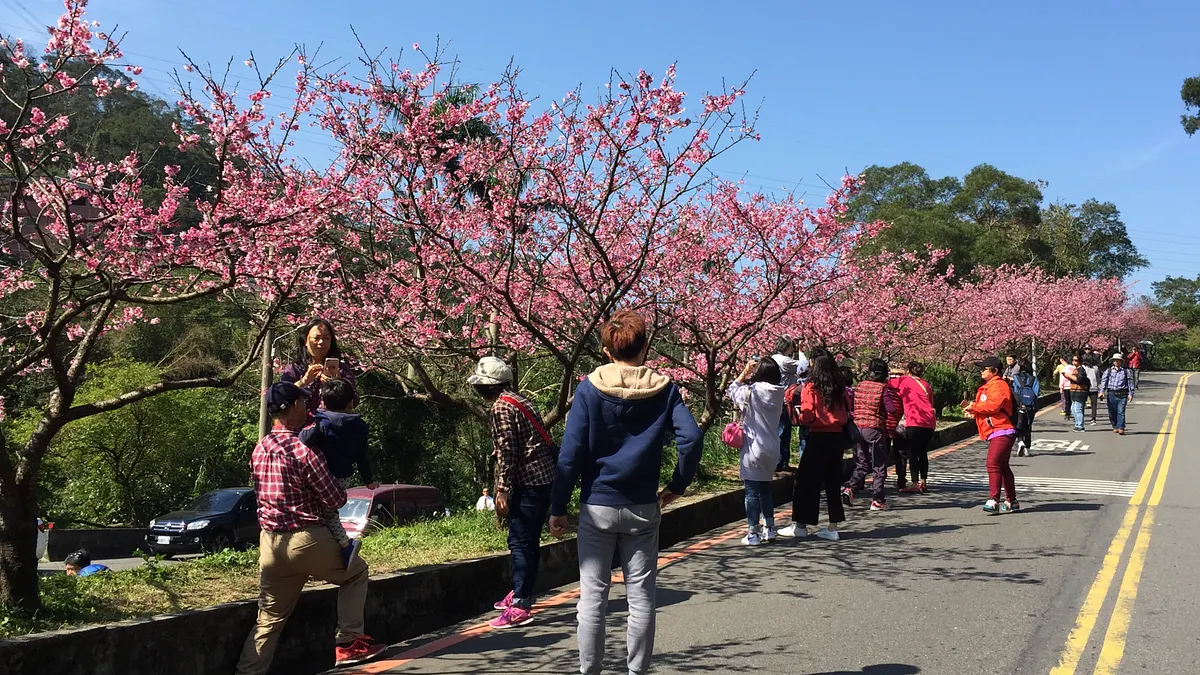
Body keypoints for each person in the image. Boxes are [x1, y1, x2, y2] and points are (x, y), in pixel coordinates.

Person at [549, 310, 702, 675]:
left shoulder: (589, 388)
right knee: (642, 598)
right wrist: (677, 486)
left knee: (592, 598)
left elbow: (570, 455)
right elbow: (692, 438)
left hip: (597, 506)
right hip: (643, 507)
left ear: (605, 350)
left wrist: (558, 506)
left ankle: (591, 671)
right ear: (645, 346)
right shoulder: (665, 390)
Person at [236, 382, 384, 674]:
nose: (307, 406)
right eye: (302, 402)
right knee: (356, 573)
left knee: (269, 619)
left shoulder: (261, 447)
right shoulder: (304, 450)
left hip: (270, 544)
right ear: (292, 408)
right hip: (306, 538)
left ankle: (247, 672)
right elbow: (336, 498)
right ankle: (349, 642)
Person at [469, 355, 558, 629]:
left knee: (520, 541)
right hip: (545, 477)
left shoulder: (501, 408)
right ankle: (522, 592)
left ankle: (520, 603)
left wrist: (502, 488)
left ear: (486, 386)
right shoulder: (521, 400)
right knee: (528, 540)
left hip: (527, 480)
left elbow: (508, 451)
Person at [298, 379, 375, 568]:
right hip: (344, 477)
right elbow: (362, 456)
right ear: (351, 403)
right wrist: (369, 479)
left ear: (323, 403)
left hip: (323, 476)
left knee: (326, 514)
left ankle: (346, 545)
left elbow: (303, 439)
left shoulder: (323, 424)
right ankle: (330, 548)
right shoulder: (359, 427)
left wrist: (313, 417)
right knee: (331, 512)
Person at [779, 354, 849, 541]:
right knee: (833, 482)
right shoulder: (839, 388)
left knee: (805, 482)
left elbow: (808, 416)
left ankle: (801, 525)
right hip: (838, 437)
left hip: (818, 436)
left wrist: (798, 415)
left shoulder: (811, 387)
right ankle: (832, 527)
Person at [727, 356, 786, 545]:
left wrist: (745, 372)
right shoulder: (779, 392)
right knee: (765, 490)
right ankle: (770, 529)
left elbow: (732, 389)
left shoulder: (751, 392)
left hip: (753, 447)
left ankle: (753, 532)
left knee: (751, 491)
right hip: (772, 447)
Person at [963, 357, 1019, 514]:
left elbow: (993, 406)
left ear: (995, 371)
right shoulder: (989, 386)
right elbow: (986, 409)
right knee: (1002, 466)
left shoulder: (999, 385)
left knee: (992, 463)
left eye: (985, 368)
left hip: (1002, 429)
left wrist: (974, 406)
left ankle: (994, 500)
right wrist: (973, 411)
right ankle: (1012, 501)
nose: (981, 371)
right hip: (997, 430)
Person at [843, 359, 899, 511]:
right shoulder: (883, 388)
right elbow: (891, 409)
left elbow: (853, 404)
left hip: (857, 428)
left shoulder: (860, 385)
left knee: (861, 464)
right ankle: (877, 500)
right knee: (879, 466)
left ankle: (850, 488)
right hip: (874, 429)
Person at [280, 318, 358, 417]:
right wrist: (303, 382)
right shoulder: (294, 370)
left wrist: (338, 385)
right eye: (316, 338)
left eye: (326, 338)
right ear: (305, 341)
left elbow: (354, 401)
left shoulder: (341, 369)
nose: (321, 342)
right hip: (299, 429)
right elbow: (279, 397)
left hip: (332, 428)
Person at [893, 362, 937, 494]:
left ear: (908, 371)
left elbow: (888, 384)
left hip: (915, 421)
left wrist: (897, 373)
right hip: (929, 421)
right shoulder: (926, 385)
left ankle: (914, 483)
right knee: (922, 452)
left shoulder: (904, 381)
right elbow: (930, 402)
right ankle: (923, 481)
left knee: (912, 452)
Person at [771, 337, 808, 471]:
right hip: (785, 400)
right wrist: (801, 350)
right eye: (792, 347)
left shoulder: (774, 358)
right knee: (783, 431)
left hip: (776, 399)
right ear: (787, 348)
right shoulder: (784, 361)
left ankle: (781, 461)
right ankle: (781, 462)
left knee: (781, 431)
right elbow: (804, 366)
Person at [1010, 359, 1041, 457]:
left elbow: (1015, 391)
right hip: (1031, 406)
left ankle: (1020, 442)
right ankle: (1027, 449)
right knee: (1028, 426)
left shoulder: (1016, 377)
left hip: (1019, 405)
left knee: (1018, 425)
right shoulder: (1034, 379)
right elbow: (1037, 393)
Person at [1099, 353, 1135, 435]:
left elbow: (1130, 382)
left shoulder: (1126, 371)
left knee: (1121, 411)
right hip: (1111, 393)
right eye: (1115, 361)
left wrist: (1131, 393)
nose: (1117, 362)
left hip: (1122, 393)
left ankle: (1121, 427)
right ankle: (1115, 425)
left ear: (1121, 362)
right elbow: (1104, 381)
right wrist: (1101, 392)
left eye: (1118, 360)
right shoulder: (1108, 371)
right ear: (1113, 362)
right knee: (1112, 412)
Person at [885, 368, 908, 491]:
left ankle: (880, 480)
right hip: (900, 426)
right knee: (901, 454)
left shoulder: (884, 387)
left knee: (883, 454)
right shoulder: (906, 389)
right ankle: (901, 481)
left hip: (886, 426)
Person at [1065, 354, 1090, 432]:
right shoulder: (1076, 369)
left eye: (1076, 360)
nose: (1073, 361)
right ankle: (1077, 424)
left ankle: (1080, 426)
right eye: (1073, 360)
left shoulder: (1081, 369)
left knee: (1078, 409)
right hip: (1074, 391)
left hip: (1080, 392)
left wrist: (1069, 376)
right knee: (1073, 409)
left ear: (1079, 361)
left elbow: (1079, 379)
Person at [1081, 356, 1102, 426]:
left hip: (1085, 387)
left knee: (1082, 404)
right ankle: (1093, 419)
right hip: (1094, 387)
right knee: (1094, 405)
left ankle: (1081, 418)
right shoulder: (1096, 368)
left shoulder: (1083, 367)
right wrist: (1099, 388)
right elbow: (1098, 379)